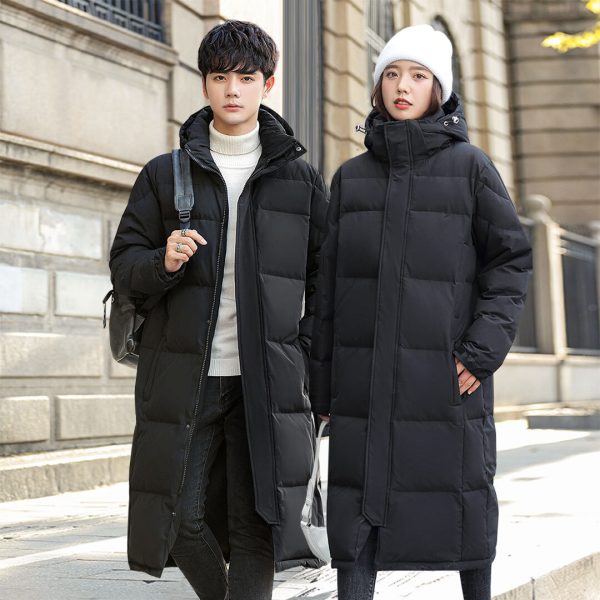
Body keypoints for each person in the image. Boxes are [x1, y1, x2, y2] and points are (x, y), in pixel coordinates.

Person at [309, 24, 532, 600]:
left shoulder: (471, 168)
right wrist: (324, 384)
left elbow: (509, 262)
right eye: (391, 73)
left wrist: (480, 352)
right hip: (362, 387)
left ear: (439, 89)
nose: (402, 86)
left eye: (417, 75)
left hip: (445, 379)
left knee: (462, 511)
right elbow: (327, 291)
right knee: (356, 521)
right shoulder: (351, 179)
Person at [109, 20, 327, 600]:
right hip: (185, 375)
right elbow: (124, 265)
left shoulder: (299, 180)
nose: (233, 89)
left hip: (266, 380)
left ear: (268, 85)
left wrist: (301, 352)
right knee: (177, 518)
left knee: (256, 524)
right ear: (204, 84)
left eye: (246, 78)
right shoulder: (165, 174)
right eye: (221, 76)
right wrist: (163, 262)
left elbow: (324, 282)